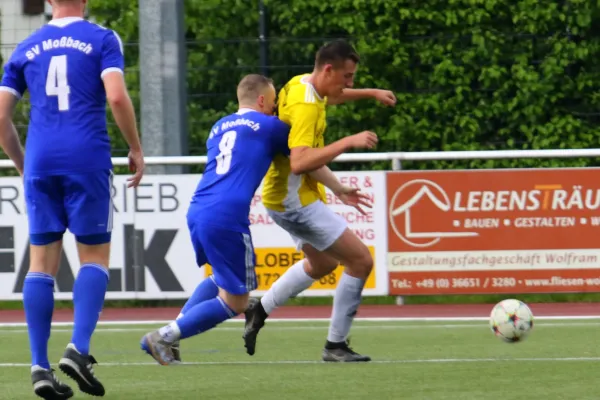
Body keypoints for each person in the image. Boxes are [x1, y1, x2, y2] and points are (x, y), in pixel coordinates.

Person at [140, 73, 374, 365]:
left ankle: (172, 337)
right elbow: (304, 160)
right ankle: (164, 335)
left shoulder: (219, 126)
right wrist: (338, 183)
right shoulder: (271, 127)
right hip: (227, 216)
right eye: (274, 103)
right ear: (262, 100)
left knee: (219, 279)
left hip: (198, 209)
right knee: (237, 301)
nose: (276, 108)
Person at [0, 0, 144, 398]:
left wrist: (24, 164)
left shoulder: (25, 47)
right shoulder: (101, 37)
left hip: (42, 161)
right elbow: (116, 97)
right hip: (86, 157)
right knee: (94, 258)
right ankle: (78, 350)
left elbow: (0, 117)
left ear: (48, 1)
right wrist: (135, 147)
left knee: (41, 263)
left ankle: (38, 367)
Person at [243, 39, 397, 362]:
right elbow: (300, 162)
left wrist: (371, 93)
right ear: (328, 70)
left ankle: (261, 308)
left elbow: (336, 95)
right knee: (360, 262)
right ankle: (335, 346)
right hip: (294, 200)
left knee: (323, 263)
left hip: (283, 196)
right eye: (348, 76)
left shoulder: (301, 84)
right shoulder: (307, 107)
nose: (350, 84)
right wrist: (349, 142)